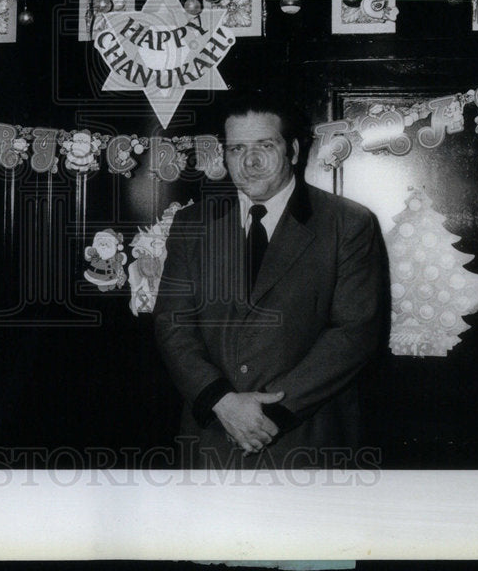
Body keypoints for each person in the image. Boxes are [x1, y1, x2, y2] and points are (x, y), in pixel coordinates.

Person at [153, 90, 389, 468]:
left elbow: (354, 333)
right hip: (211, 437)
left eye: (265, 144)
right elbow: (172, 324)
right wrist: (221, 401)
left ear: (293, 151)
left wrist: (269, 416)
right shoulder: (191, 224)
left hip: (306, 440)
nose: (251, 162)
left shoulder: (347, 223)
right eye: (236, 149)